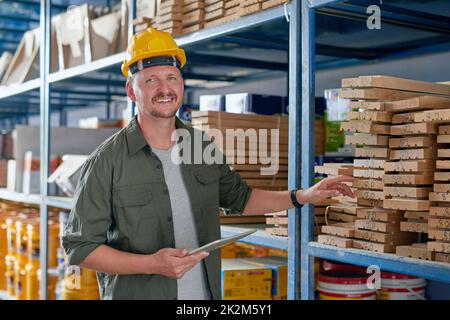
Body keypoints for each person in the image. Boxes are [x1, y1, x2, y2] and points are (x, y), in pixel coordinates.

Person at [62, 28, 353, 300]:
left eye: (172, 77)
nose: (164, 88)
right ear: (131, 90)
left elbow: (241, 198)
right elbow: (80, 247)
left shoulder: (200, 146)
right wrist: (151, 264)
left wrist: (304, 196)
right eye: (151, 80)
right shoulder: (106, 161)